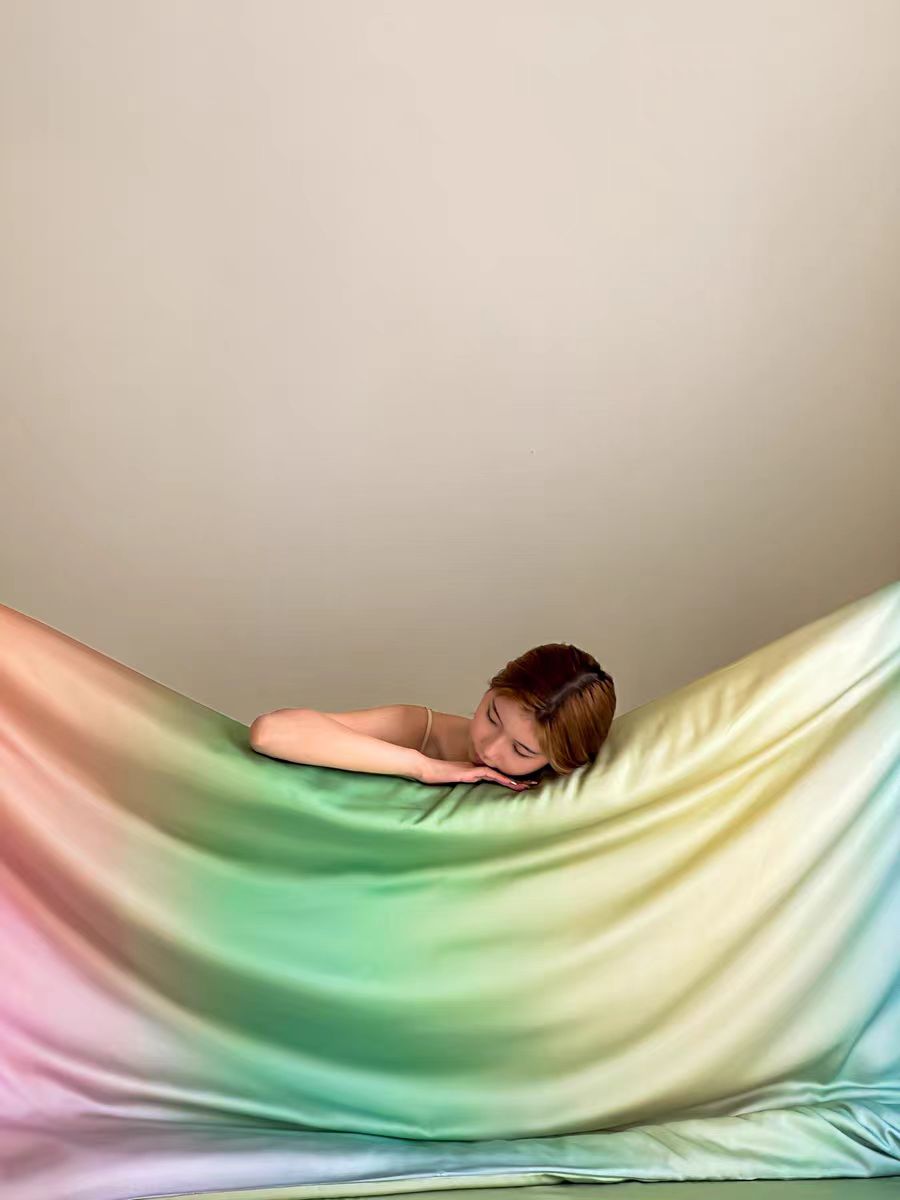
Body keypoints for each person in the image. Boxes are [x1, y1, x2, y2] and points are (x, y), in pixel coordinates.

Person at [250, 643, 616, 794]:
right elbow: (271, 732)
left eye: (521, 750)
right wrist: (422, 766)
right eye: (492, 716)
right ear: (492, 688)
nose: (490, 749)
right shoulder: (421, 729)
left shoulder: (564, 791)